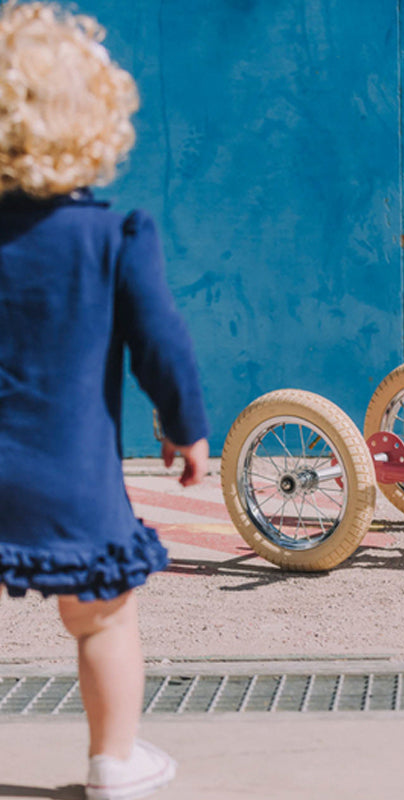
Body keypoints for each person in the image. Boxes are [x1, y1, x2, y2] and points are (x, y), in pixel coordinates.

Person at [0, 3, 209, 798]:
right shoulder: (114, 237)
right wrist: (184, 427)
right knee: (103, 618)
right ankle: (113, 766)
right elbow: (163, 341)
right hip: (72, 479)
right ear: (96, 123)